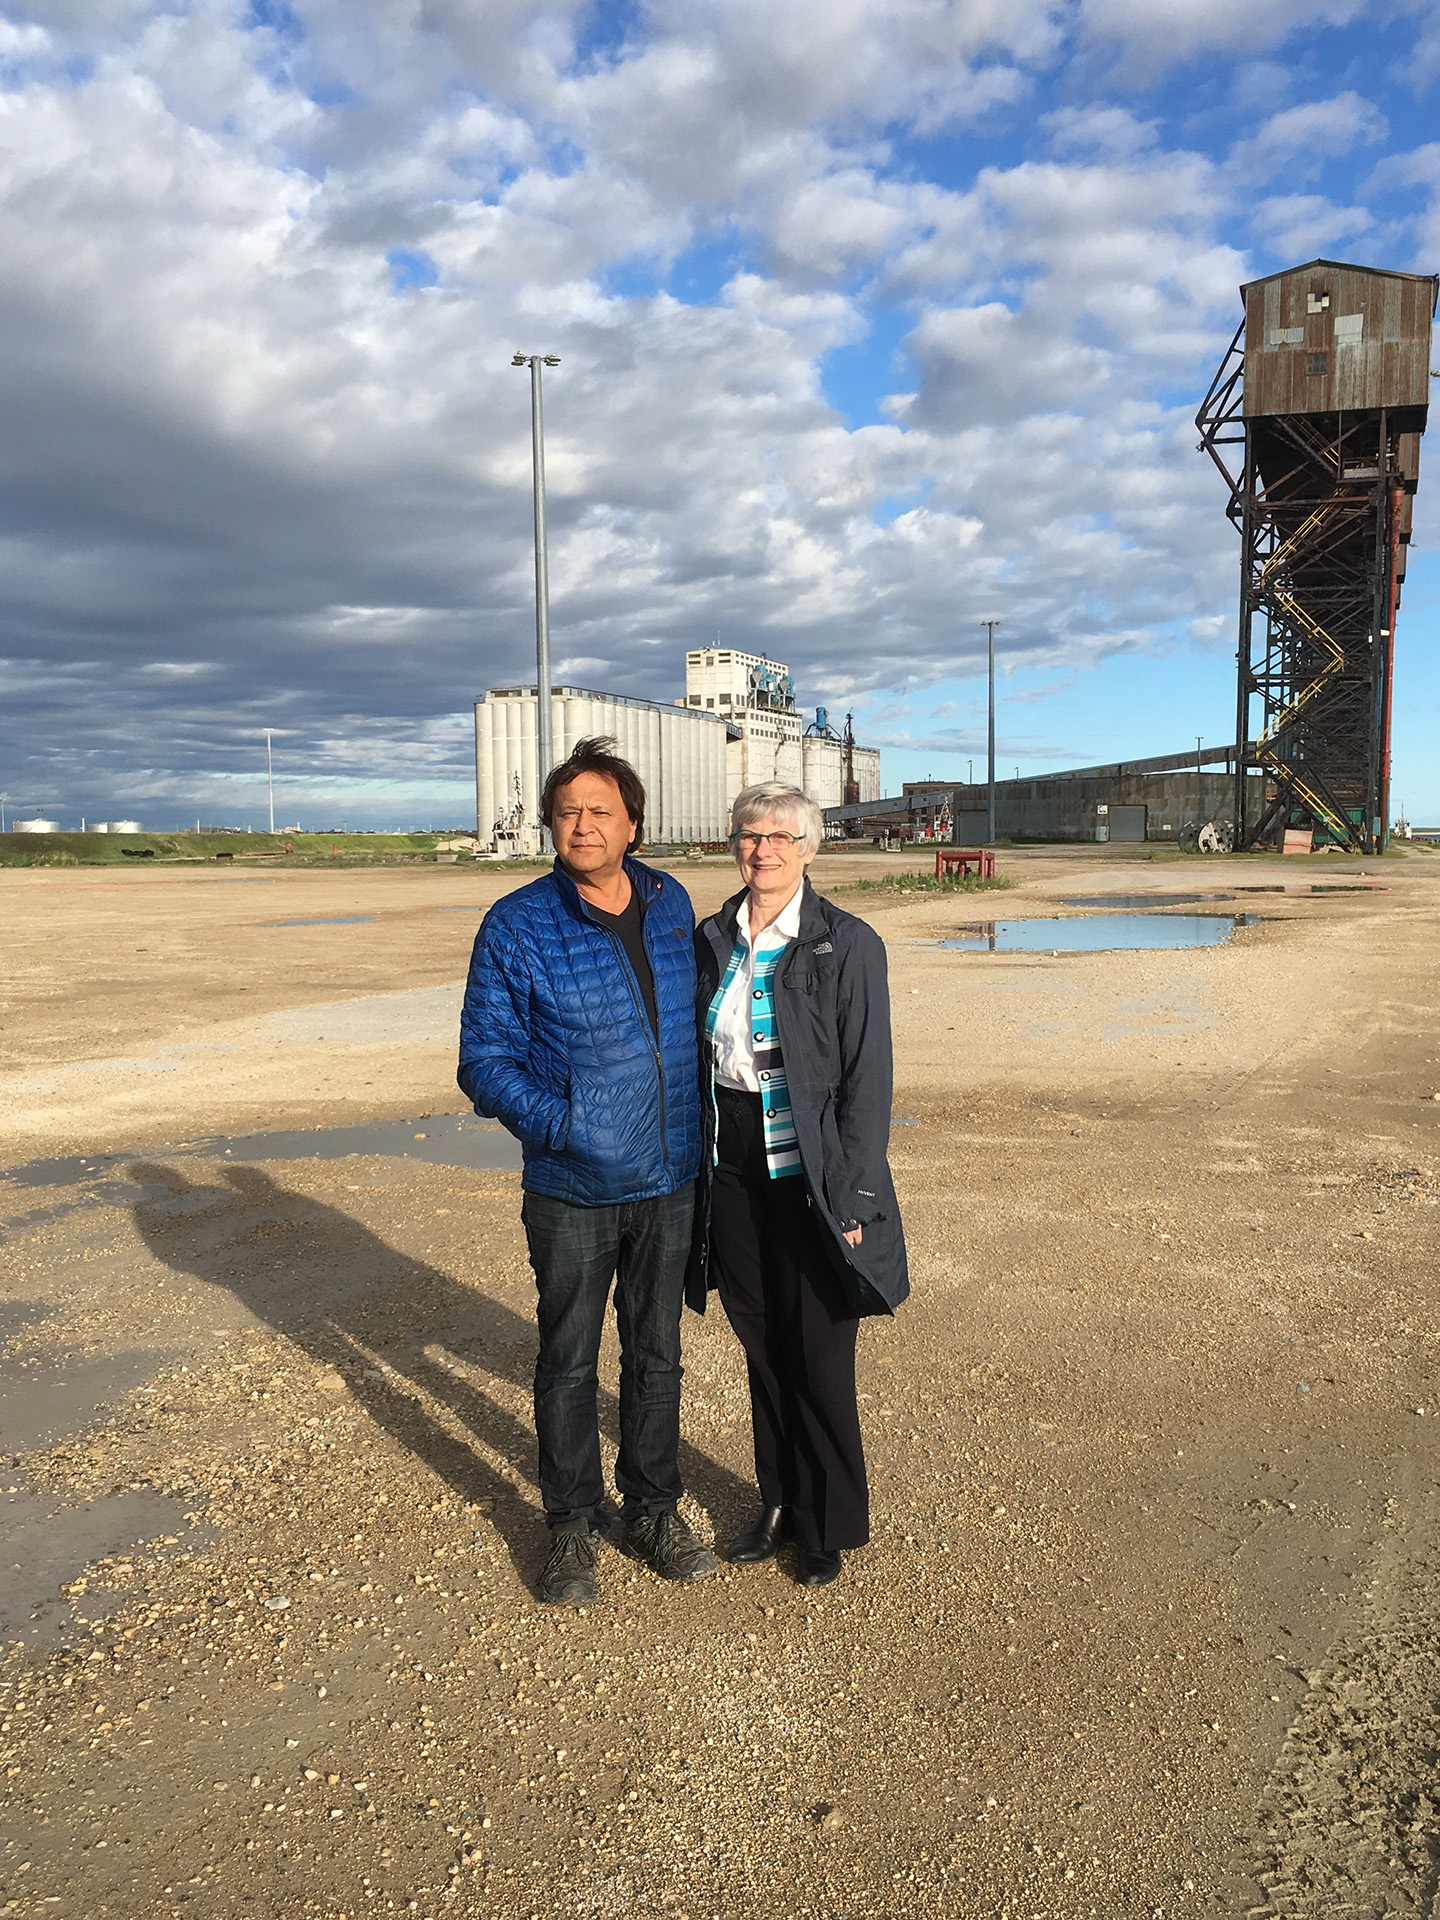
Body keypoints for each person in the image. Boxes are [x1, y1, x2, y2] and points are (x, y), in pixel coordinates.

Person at [458, 736, 718, 1606]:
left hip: (672, 1176)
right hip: (572, 1186)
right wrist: (566, 1127)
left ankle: (653, 1507)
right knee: (568, 1361)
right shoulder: (517, 924)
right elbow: (483, 1061)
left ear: (633, 822)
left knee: (658, 1354)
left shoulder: (671, 900)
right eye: (567, 812)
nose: (582, 826)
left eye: (600, 810)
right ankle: (571, 1524)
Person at [689, 781, 908, 1587]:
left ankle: (826, 1521)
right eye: (751, 834)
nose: (765, 849)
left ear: (811, 850)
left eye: (783, 836)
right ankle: (776, 1500)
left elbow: (867, 1082)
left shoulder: (845, 944)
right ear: (734, 844)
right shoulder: (713, 937)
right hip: (734, 1161)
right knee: (761, 1339)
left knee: (818, 1349)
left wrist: (853, 1197)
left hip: (811, 1167)